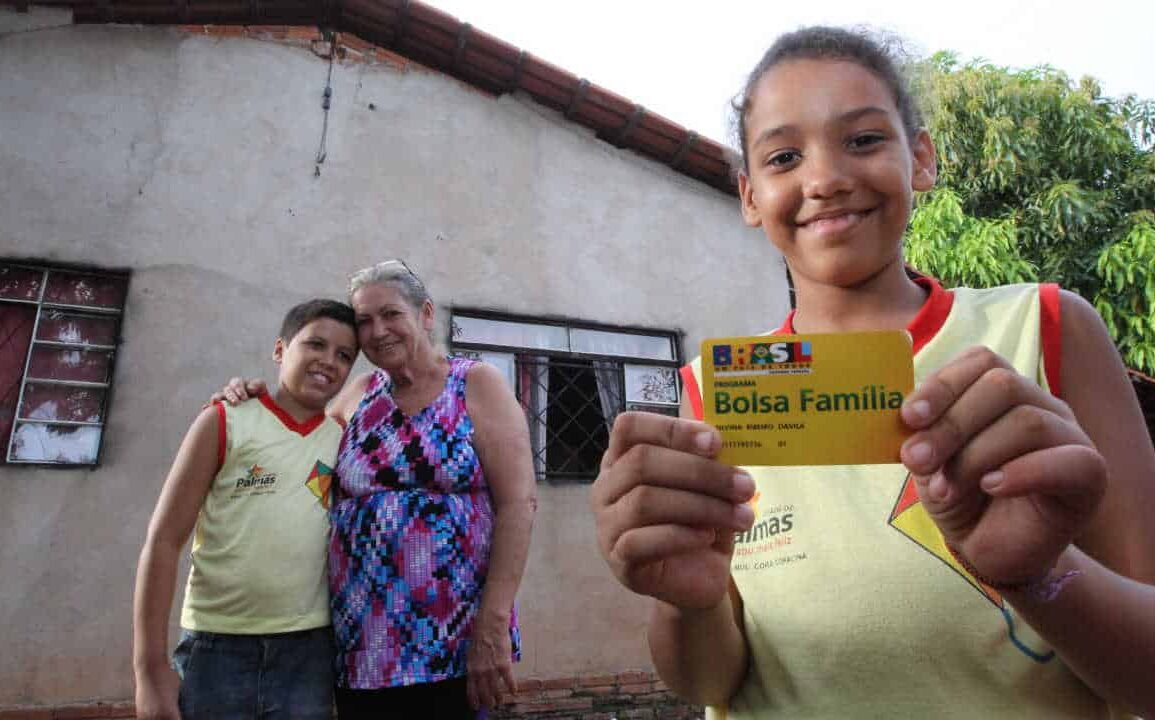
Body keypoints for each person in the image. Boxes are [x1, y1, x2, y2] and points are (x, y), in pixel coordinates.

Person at [591, 26, 1155, 719]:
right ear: (749, 195)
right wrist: (686, 604)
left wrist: (1038, 575)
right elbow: (711, 684)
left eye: (862, 140)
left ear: (920, 158)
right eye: (783, 156)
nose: (824, 179)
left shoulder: (1044, 328)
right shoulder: (715, 389)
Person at [218, 260, 536, 719]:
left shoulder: (475, 383)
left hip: (452, 639)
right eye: (364, 321)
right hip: (363, 644)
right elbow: (296, 446)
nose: (377, 331)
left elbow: (518, 504)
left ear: (425, 314)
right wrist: (252, 397)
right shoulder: (357, 394)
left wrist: (494, 620)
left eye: (391, 314)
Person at [133, 299, 359, 720]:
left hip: (308, 653)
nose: (329, 361)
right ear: (279, 350)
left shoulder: (344, 440)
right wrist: (148, 669)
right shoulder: (225, 419)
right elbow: (163, 541)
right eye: (316, 344)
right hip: (216, 648)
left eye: (344, 355)